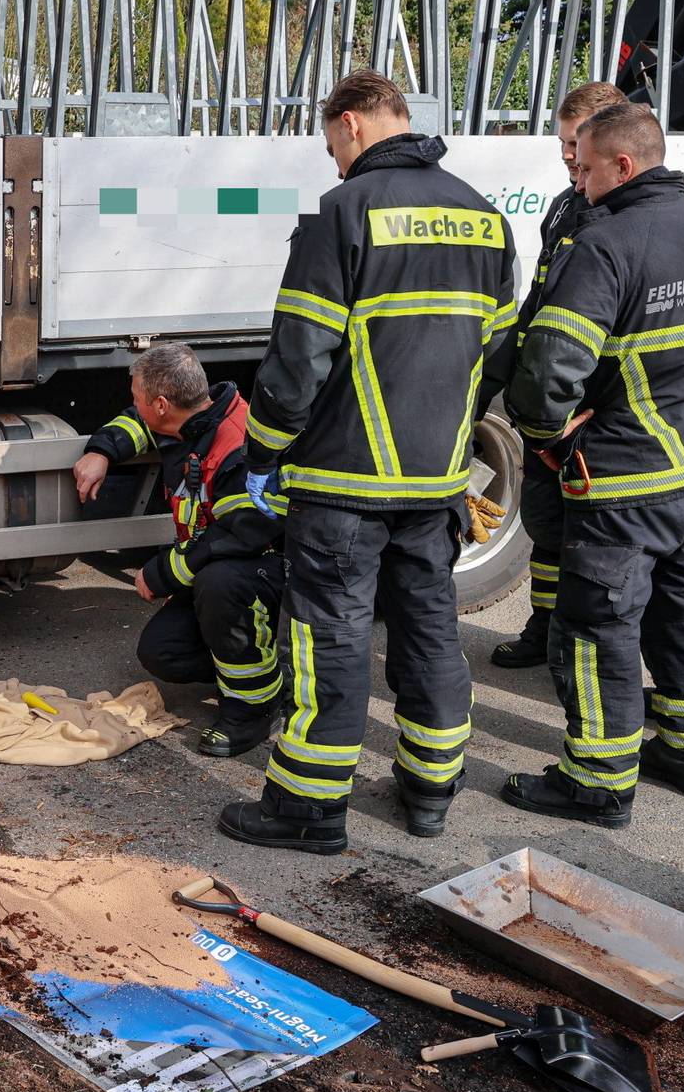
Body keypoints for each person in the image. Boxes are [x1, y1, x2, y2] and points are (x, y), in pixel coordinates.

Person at [221, 71, 517, 853]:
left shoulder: (342, 214)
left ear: (349, 125)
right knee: (428, 626)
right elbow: (500, 351)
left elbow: (298, 360)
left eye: (330, 145)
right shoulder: (486, 220)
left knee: (331, 638)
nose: (333, 161)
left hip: (344, 483)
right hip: (440, 480)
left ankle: (308, 811)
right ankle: (429, 789)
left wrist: (264, 450)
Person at [502, 103, 684, 826]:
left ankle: (597, 784)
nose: (579, 176)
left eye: (587, 165)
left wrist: (550, 437)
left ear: (624, 166)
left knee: (595, 629)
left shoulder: (605, 246)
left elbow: (547, 374)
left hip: (621, 484)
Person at [72, 344, 287, 756]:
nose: (133, 404)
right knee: (162, 653)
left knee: (221, 583)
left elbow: (237, 540)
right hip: (217, 566)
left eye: (137, 396)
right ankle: (264, 669)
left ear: (162, 403)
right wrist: (101, 451)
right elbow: (137, 422)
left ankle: (254, 709)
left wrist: (160, 574)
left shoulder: (236, 445)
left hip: (264, 571)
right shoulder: (187, 419)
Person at [480, 80, 626, 670]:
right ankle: (544, 627)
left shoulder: (621, 210)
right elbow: (539, 302)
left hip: (593, 405)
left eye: (576, 146)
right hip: (553, 400)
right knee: (545, 527)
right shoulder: (567, 205)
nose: (568, 157)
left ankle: (572, 639)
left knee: (590, 544)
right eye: (563, 144)